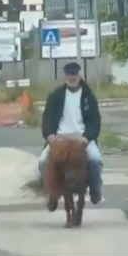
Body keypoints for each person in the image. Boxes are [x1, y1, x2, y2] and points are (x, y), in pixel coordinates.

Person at [38, 62, 103, 205]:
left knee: (96, 161)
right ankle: (50, 192)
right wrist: (49, 135)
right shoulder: (56, 96)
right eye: (69, 74)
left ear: (79, 75)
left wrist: (87, 137)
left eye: (74, 74)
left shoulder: (89, 97)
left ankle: (95, 190)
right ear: (65, 76)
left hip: (82, 138)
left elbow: (95, 121)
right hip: (60, 139)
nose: (72, 77)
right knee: (43, 161)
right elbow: (47, 117)